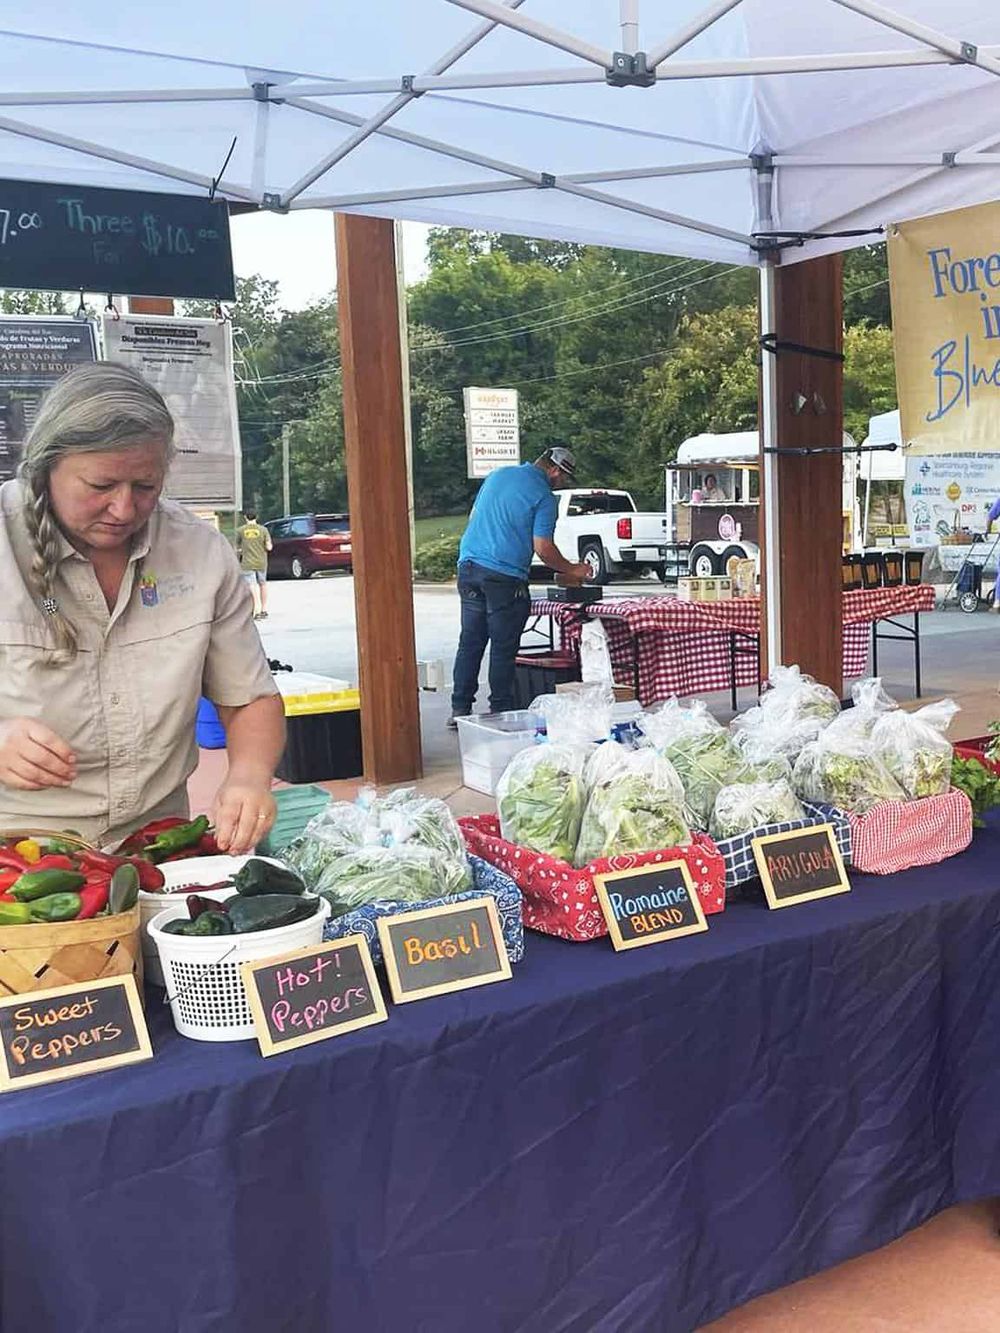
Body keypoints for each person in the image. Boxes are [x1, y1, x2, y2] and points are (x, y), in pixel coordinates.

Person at [0, 362, 286, 853]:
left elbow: (249, 697)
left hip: (158, 843)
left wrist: (249, 776)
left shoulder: (199, 552)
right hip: (19, 855)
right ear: (47, 467)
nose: (124, 510)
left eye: (146, 487)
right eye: (100, 486)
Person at [449, 447, 589, 728]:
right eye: (563, 478)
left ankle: (459, 709)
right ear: (555, 470)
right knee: (503, 647)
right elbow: (543, 547)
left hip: (469, 566)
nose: (561, 483)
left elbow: (476, 516)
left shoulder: (499, 475)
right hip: (503, 575)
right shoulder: (544, 497)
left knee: (471, 641)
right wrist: (572, 569)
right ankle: (501, 713)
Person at [237, 508, 273, 619]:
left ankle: (256, 610)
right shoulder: (263, 530)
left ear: (245, 517)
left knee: (252, 586)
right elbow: (269, 547)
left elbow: (236, 546)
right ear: (256, 517)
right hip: (261, 562)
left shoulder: (240, 530)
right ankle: (264, 609)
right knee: (262, 584)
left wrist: (241, 551)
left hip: (247, 563)